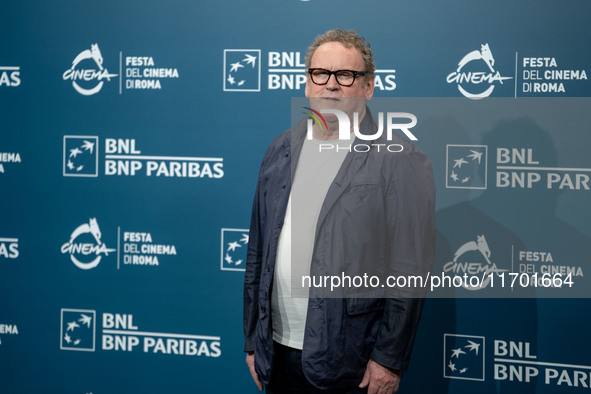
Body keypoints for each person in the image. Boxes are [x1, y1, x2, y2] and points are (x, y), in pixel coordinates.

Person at [243, 28, 435, 394]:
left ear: (368, 87)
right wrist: (253, 339)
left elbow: (410, 271)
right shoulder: (279, 149)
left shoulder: (401, 160)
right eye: (320, 74)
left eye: (345, 75)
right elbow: (257, 252)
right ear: (307, 83)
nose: (331, 85)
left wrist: (389, 359)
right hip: (278, 351)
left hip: (351, 361)